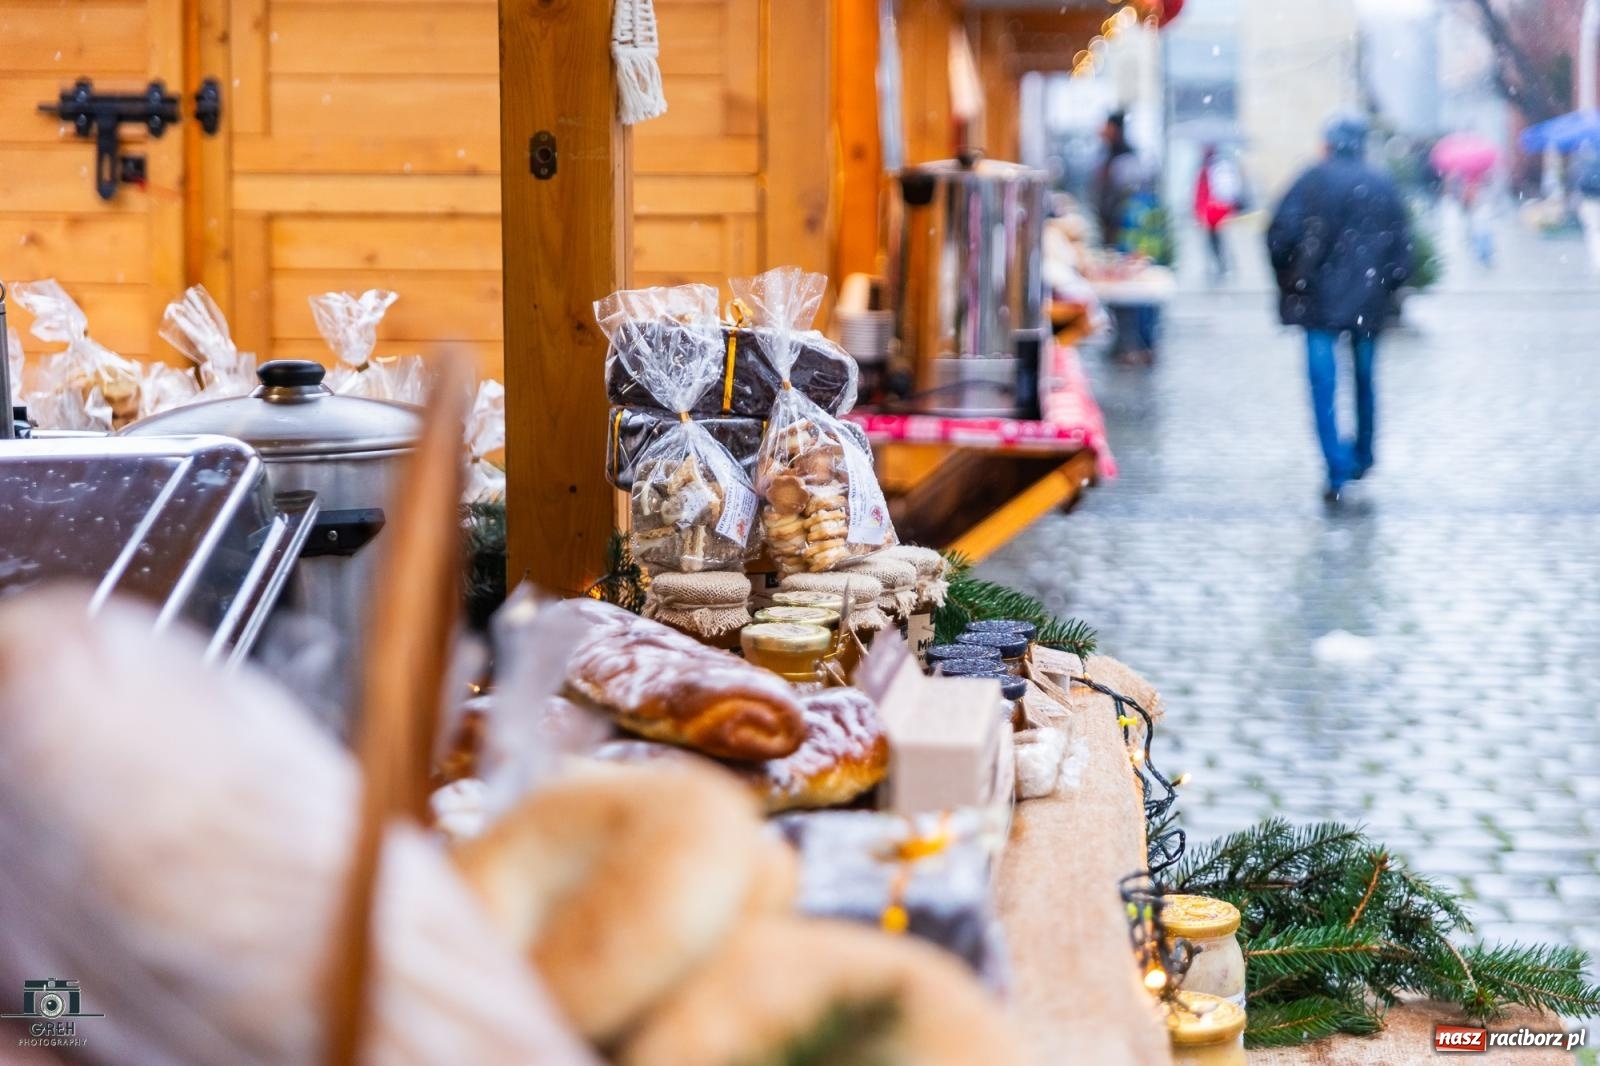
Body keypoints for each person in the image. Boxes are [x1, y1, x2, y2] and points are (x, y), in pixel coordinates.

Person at [1267, 113, 1412, 503]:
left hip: (1317, 301)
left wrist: (1291, 279)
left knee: (1323, 385)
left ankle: (1336, 466)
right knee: (1365, 379)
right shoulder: (1382, 183)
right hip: (1368, 300)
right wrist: (1386, 286)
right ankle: (1363, 454)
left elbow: (1279, 234)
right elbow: (1402, 249)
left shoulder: (1312, 179)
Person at [1193, 145, 1243, 277]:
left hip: (1214, 211)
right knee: (1215, 241)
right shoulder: (1208, 168)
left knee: (1218, 241)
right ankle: (1222, 266)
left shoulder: (1214, 168)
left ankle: (1225, 266)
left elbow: (1211, 191)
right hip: (1211, 211)